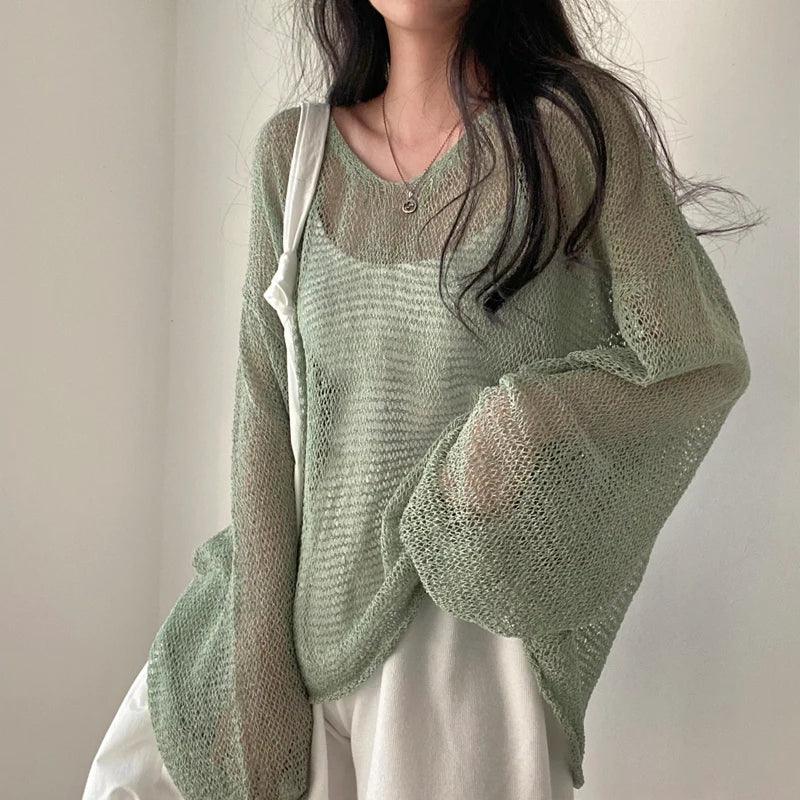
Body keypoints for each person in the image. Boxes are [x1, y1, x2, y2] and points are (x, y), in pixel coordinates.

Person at [83, 1, 755, 798]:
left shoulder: (568, 130)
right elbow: (263, 422)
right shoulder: (292, 159)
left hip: (462, 642)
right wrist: (259, 669)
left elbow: (694, 360)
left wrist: (521, 431)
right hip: (293, 623)